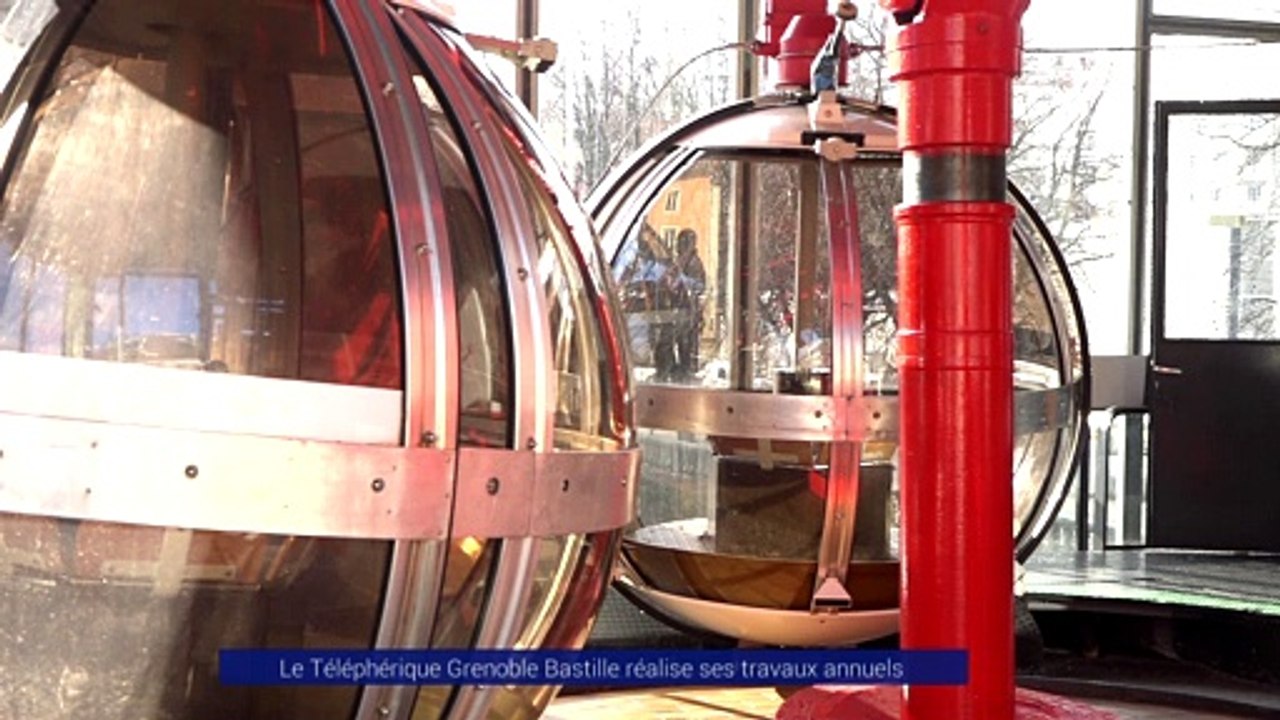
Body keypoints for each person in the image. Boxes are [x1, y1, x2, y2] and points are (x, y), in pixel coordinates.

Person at [669, 228, 706, 381]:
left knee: (686, 343)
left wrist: (679, 281)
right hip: (679, 310)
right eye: (680, 242)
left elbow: (698, 286)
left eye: (684, 242)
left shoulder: (694, 263)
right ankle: (680, 370)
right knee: (678, 341)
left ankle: (687, 371)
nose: (680, 246)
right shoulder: (680, 261)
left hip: (689, 310)